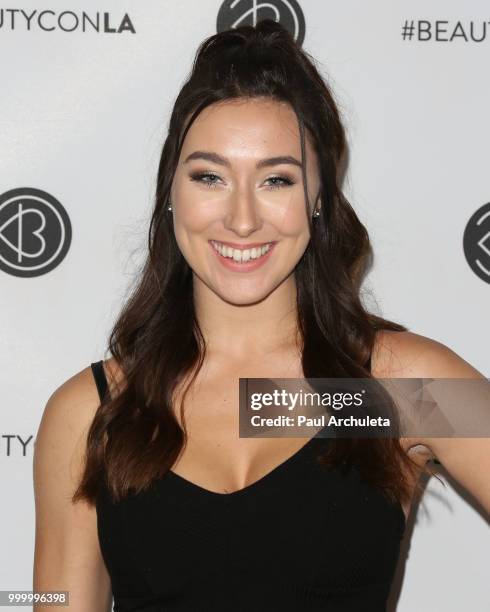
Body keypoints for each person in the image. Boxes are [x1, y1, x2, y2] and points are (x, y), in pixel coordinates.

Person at [33, 20, 489, 611]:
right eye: (210, 177)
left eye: (277, 179)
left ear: (320, 198)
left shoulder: (401, 388)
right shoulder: (92, 412)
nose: (242, 219)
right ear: (171, 190)